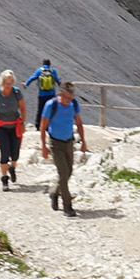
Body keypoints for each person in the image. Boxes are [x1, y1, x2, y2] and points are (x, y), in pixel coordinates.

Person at [39, 81, 87, 216]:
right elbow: (43, 126)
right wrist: (44, 146)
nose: (68, 101)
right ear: (60, 94)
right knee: (63, 173)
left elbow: (79, 123)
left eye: (70, 98)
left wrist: (83, 142)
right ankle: (67, 206)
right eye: (65, 98)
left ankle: (54, 192)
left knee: (69, 172)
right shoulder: (51, 105)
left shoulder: (73, 105)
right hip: (56, 143)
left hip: (69, 142)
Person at [0, 70, 26, 191]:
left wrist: (23, 123)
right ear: (1, 82)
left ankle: (12, 167)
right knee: (5, 153)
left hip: (15, 126)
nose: (7, 85)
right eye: (5, 82)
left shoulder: (17, 92)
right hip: (1, 127)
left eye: (10, 82)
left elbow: (23, 108)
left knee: (15, 154)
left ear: (13, 83)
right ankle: (4, 179)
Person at [24, 59, 60, 128]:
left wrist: (26, 84)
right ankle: (50, 125)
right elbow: (57, 80)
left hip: (42, 95)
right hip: (51, 95)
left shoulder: (39, 71)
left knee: (40, 110)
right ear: (50, 64)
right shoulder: (53, 71)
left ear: (43, 64)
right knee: (51, 109)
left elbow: (32, 78)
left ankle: (38, 125)